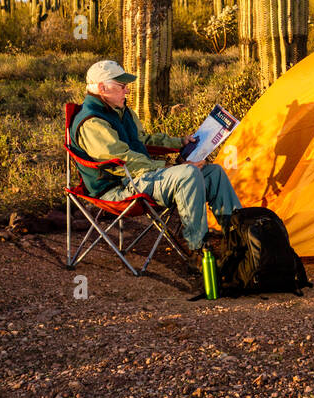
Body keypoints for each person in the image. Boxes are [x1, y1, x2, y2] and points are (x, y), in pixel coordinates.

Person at [70, 59, 241, 261]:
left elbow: (143, 140)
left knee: (214, 173)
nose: (127, 91)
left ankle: (239, 238)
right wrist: (169, 167)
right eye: (122, 86)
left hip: (139, 178)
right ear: (101, 88)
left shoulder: (121, 111)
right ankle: (197, 249)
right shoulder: (92, 122)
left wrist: (181, 142)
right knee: (188, 174)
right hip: (117, 188)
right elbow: (122, 160)